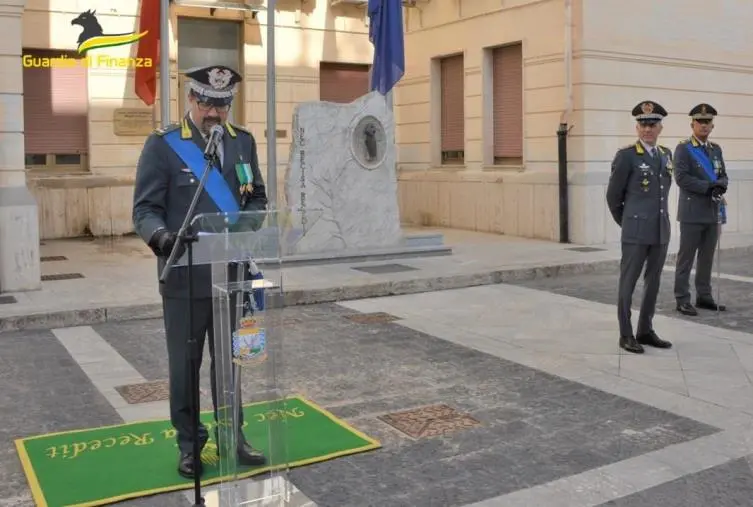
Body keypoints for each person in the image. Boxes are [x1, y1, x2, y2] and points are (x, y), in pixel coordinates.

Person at [132, 64, 268, 478]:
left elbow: (256, 196)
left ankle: (233, 433)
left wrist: (246, 228)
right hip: (185, 277)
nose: (214, 113)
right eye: (207, 102)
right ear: (191, 98)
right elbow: (145, 209)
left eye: (222, 105)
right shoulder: (165, 146)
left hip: (232, 275)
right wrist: (162, 238)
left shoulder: (242, 142)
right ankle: (190, 443)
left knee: (232, 363)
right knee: (185, 364)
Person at [606, 101, 674, 354]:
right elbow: (614, 198)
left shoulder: (666, 154)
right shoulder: (626, 156)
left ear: (660, 128)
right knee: (628, 283)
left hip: (660, 229)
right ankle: (626, 334)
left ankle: (645, 330)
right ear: (637, 127)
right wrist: (628, 223)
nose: (648, 129)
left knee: (653, 282)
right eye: (643, 125)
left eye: (652, 125)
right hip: (635, 231)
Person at [673, 103, 728, 316]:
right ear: (692, 124)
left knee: (706, 256)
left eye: (708, 122)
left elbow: (722, 173)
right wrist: (709, 187)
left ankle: (704, 296)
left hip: (712, 211)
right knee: (686, 257)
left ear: (712, 126)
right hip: (692, 212)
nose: (704, 125)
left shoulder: (715, 149)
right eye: (700, 122)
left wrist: (722, 183)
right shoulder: (684, 149)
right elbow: (681, 178)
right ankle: (682, 298)